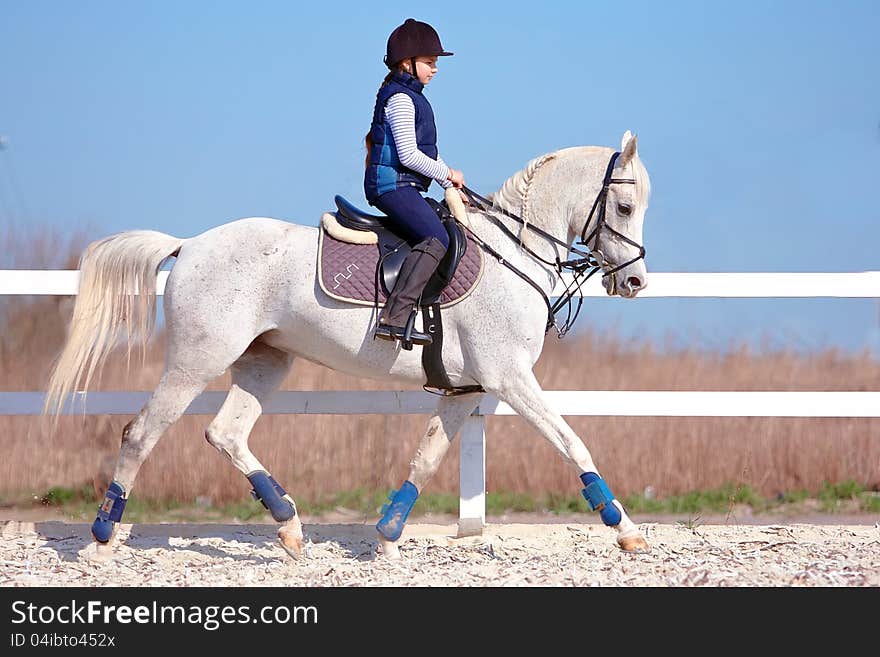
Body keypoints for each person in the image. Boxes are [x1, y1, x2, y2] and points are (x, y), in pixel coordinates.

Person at [364, 18, 467, 347]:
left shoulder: (412, 97)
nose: (435, 69)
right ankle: (394, 318)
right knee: (436, 237)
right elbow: (408, 156)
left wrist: (448, 185)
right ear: (406, 63)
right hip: (390, 185)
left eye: (436, 63)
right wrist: (447, 173)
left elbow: (419, 155)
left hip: (404, 185)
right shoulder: (401, 100)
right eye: (430, 62)